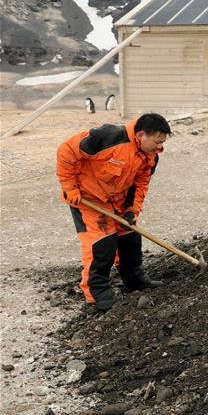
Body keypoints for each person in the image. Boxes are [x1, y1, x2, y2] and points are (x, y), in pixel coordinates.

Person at [57, 113, 171, 310]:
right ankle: (97, 292)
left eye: (162, 142)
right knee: (102, 243)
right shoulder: (108, 137)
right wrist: (69, 187)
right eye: (157, 141)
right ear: (141, 134)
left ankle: (134, 279)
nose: (159, 147)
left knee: (130, 235)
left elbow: (141, 184)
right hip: (89, 198)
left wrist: (131, 210)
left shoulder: (150, 156)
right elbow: (67, 151)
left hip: (118, 199)